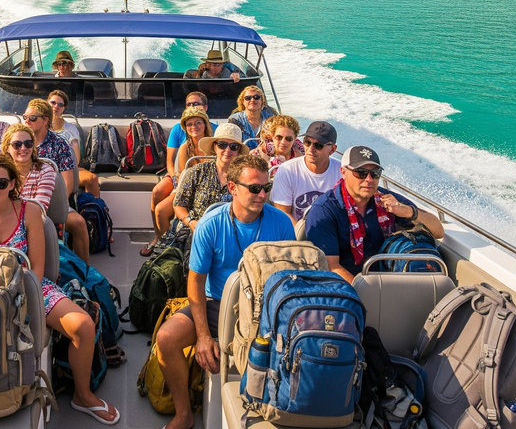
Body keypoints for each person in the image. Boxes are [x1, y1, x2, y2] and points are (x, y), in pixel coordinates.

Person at [0, 153, 119, 425]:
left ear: (13, 184)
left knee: (83, 326)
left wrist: (19, 302)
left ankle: (83, 394)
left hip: (30, 288)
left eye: (0, 183)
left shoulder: (29, 212)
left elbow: (38, 269)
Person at [153, 154, 295, 429]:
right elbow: (195, 282)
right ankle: (183, 415)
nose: (262, 194)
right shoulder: (211, 224)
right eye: (254, 188)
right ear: (233, 188)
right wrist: (204, 336)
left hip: (265, 310)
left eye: (267, 187)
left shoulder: (282, 224)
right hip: (216, 303)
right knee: (167, 339)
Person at [304, 146, 444, 283]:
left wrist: (407, 211)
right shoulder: (324, 211)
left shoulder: (385, 199)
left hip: (390, 280)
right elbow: (330, 267)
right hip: (347, 287)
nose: (369, 179)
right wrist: (368, 294)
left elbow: (438, 231)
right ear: (343, 172)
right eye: (361, 173)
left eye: (375, 173)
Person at [1, 123, 91, 263]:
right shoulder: (1, 171)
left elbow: (39, 208)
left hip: (36, 226)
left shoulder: (45, 170)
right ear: (7, 147)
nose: (23, 148)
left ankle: (83, 273)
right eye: (17, 144)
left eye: (28, 143)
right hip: (3, 225)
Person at [145, 106, 213, 255]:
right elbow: (184, 177)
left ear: (205, 124)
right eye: (189, 124)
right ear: (185, 127)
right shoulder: (184, 148)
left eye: (197, 122)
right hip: (189, 190)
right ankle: (168, 250)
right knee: (160, 210)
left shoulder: (214, 146)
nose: (193, 127)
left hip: (211, 190)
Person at [172, 124, 245, 233]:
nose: (228, 150)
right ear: (214, 147)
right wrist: (191, 222)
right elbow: (179, 204)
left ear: (238, 151)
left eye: (233, 146)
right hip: (195, 231)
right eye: (222, 145)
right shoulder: (197, 171)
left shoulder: (244, 177)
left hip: (230, 233)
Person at [271, 120, 343, 227]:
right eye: (307, 142)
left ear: (332, 149)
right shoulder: (287, 170)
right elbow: (283, 213)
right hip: (298, 234)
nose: (310, 149)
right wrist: (302, 239)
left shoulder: (343, 172)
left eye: (318, 145)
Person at [48, 89, 100, 197]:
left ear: (64, 108)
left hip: (68, 169)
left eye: (60, 104)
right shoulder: (38, 125)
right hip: (44, 169)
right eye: (53, 102)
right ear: (47, 103)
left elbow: (75, 160)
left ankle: (93, 210)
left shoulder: (71, 129)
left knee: (92, 179)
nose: (56, 106)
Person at [24, 98, 77, 195]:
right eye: (25, 117)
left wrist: (60, 206)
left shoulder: (59, 144)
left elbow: (67, 183)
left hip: (52, 199)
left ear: (45, 120)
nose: (27, 121)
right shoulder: (19, 143)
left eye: (32, 118)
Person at [164, 91, 218, 180]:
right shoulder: (179, 135)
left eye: (196, 104)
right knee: (158, 191)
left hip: (210, 180)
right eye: (188, 104)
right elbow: (171, 163)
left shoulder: (217, 132)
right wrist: (174, 178)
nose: (192, 107)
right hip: (182, 177)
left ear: (205, 107)